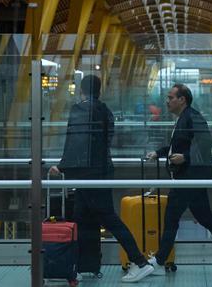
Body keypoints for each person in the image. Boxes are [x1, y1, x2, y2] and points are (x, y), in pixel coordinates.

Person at [50, 75, 154, 283]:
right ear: (99, 90)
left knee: (108, 218)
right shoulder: (105, 111)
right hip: (101, 170)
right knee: (81, 217)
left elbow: (77, 141)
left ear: (81, 90)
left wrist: (62, 166)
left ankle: (140, 262)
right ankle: (77, 266)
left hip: (87, 174)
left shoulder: (80, 110)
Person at [145, 83, 212, 275]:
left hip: (190, 176)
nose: (167, 101)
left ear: (182, 99)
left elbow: (208, 142)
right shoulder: (184, 118)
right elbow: (179, 147)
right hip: (192, 175)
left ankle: (159, 260)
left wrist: (186, 158)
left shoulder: (192, 116)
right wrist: (158, 153)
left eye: (170, 97)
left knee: (171, 216)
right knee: (205, 217)